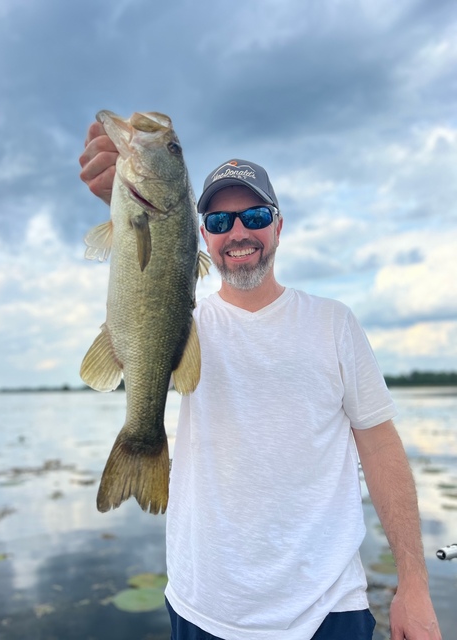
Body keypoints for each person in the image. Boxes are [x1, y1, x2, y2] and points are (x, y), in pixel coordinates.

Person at [79, 121, 442, 640]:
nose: (238, 232)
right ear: (200, 233)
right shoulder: (188, 322)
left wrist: (415, 582)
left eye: (253, 216)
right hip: (203, 606)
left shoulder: (334, 323)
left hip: (328, 609)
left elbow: (381, 449)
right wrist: (121, 198)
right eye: (220, 220)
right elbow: (146, 275)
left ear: (278, 225)